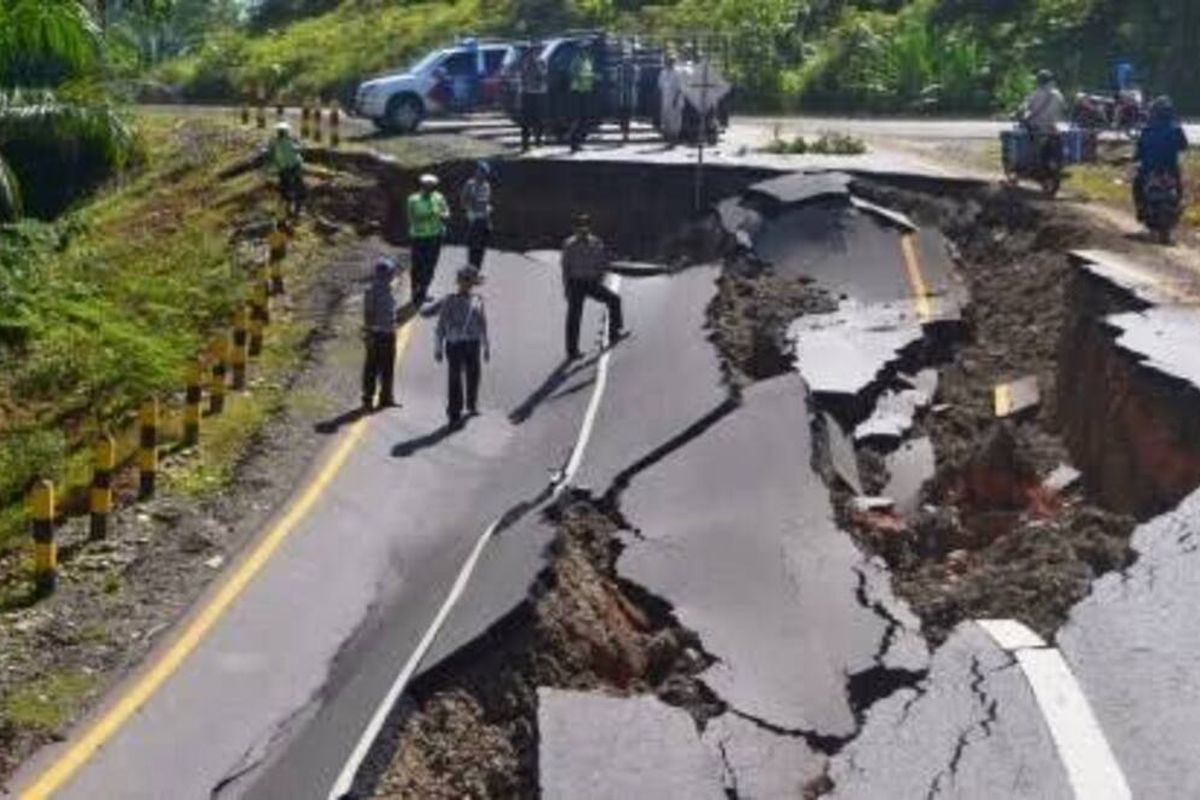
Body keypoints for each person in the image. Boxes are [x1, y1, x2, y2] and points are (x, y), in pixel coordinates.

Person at [561, 214, 625, 360]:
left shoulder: (596, 242)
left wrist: (600, 277)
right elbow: (565, 267)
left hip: (591, 282)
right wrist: (566, 287)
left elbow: (602, 262)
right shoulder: (569, 244)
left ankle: (614, 332)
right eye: (580, 226)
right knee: (574, 317)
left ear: (589, 227)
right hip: (575, 283)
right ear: (575, 228)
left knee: (614, 299)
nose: (583, 229)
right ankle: (572, 351)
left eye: (585, 226)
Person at [435, 266, 490, 426]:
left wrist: (486, 346)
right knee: (455, 379)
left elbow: (483, 325)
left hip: (473, 343)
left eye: (469, 280)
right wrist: (438, 348)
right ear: (459, 282)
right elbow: (441, 326)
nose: (466, 284)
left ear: (473, 283)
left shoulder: (478, 300)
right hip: (455, 344)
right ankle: (454, 412)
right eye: (463, 280)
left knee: (474, 375)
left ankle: (472, 404)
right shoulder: (449, 300)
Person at [1134, 96, 1189, 220]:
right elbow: (1184, 146)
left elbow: (1139, 151)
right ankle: (1178, 204)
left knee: (1137, 183)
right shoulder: (1176, 129)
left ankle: (1141, 207)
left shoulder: (1147, 130)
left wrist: (1135, 157)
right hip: (1170, 167)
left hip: (1149, 168)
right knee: (1179, 184)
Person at [406, 173, 450, 307]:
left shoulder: (439, 197)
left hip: (435, 236)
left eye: (431, 187)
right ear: (422, 186)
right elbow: (412, 218)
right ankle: (414, 292)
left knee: (430, 266)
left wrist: (444, 215)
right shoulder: (413, 200)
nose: (429, 190)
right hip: (418, 237)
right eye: (426, 187)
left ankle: (423, 292)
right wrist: (430, 215)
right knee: (417, 266)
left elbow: (446, 212)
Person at [362, 257, 399, 410]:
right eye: (389, 274)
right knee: (372, 367)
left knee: (387, 367)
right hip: (377, 334)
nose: (390, 277)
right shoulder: (371, 291)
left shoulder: (389, 290)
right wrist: (369, 333)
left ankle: (386, 397)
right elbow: (368, 313)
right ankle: (368, 399)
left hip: (389, 333)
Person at [1019, 69, 1067, 165]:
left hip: (1036, 128)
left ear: (1039, 82)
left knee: (1024, 134)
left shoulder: (1034, 95)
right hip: (1052, 127)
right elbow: (1063, 109)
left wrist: (1022, 115)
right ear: (1050, 81)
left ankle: (1031, 159)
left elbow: (1023, 108)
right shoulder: (1058, 95)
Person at [460, 161, 493, 269]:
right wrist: (470, 212)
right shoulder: (470, 184)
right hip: (474, 218)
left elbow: (486, 202)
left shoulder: (486, 185)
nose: (482, 174)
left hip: (484, 218)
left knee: (482, 246)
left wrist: (488, 220)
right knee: (473, 245)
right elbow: (463, 201)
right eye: (480, 171)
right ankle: (471, 267)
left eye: (484, 172)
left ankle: (477, 269)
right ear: (477, 171)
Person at [268, 121, 305, 216]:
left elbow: (272, 157)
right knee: (299, 189)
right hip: (294, 167)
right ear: (286, 132)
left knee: (285, 190)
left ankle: (284, 210)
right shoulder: (289, 142)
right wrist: (299, 143)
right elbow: (298, 150)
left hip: (283, 169)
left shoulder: (274, 143)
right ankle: (296, 211)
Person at [519, 44, 548, 151]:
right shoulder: (525, 62)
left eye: (538, 50)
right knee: (526, 121)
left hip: (539, 93)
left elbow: (544, 75)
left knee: (540, 119)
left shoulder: (541, 61)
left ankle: (538, 139)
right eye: (535, 51)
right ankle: (525, 144)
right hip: (528, 93)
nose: (537, 53)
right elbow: (523, 75)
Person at [567, 46, 596, 153]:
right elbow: (572, 73)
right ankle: (573, 143)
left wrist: (591, 78)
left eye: (587, 49)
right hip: (577, 91)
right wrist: (591, 76)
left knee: (585, 119)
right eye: (585, 49)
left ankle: (578, 142)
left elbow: (588, 73)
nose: (586, 51)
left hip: (586, 91)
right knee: (578, 119)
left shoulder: (588, 60)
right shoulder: (577, 60)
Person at [657, 54, 684, 145]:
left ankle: (675, 138)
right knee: (666, 118)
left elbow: (680, 87)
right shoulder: (663, 73)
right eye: (668, 61)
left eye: (671, 61)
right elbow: (660, 86)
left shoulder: (678, 73)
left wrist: (676, 99)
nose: (669, 63)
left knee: (675, 120)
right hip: (665, 99)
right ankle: (668, 137)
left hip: (675, 100)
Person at [616, 49, 639, 143]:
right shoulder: (619, 68)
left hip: (629, 96)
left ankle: (626, 134)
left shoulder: (634, 69)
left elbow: (636, 81)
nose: (626, 61)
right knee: (622, 117)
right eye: (625, 59)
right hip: (621, 96)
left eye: (628, 59)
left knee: (627, 116)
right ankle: (624, 133)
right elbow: (616, 81)